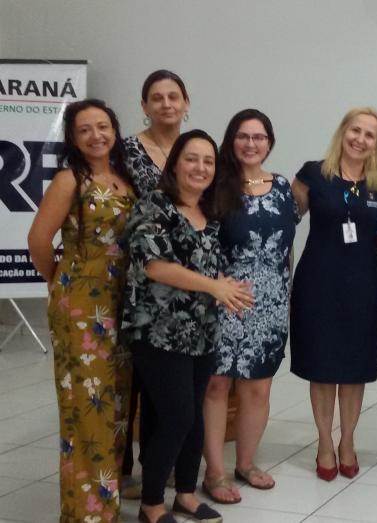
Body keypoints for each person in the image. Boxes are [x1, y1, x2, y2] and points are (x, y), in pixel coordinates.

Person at [120, 130, 254, 523]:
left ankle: (184, 494)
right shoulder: (155, 205)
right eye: (191, 159)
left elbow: (210, 269)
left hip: (202, 330)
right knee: (176, 417)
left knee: (192, 414)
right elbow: (155, 266)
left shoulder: (211, 211)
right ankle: (150, 503)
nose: (200, 168)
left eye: (208, 161)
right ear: (175, 163)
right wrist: (215, 286)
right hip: (158, 332)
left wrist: (230, 291)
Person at [28, 99, 135, 523]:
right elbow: (38, 240)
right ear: (73, 138)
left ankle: (104, 501)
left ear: (114, 130)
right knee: (85, 407)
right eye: (85, 129)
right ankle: (86, 514)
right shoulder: (70, 180)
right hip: (80, 307)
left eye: (104, 126)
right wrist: (59, 279)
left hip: (121, 305)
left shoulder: (124, 179)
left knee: (112, 406)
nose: (97, 135)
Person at [200, 109, 299, 503]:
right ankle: (215, 472)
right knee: (217, 383)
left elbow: (287, 245)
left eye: (259, 137)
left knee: (258, 387)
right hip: (224, 298)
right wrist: (214, 286)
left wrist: (285, 293)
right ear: (231, 140)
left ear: (270, 142)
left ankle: (246, 463)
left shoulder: (281, 187)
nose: (251, 143)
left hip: (271, 300)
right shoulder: (215, 185)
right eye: (243, 136)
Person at [289, 107, 377, 481]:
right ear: (343, 132)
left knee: (354, 370)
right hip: (318, 282)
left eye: (369, 135)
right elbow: (286, 222)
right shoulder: (313, 173)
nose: (360, 139)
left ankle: (348, 441)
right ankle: (324, 442)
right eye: (355, 130)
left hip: (364, 283)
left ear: (376, 143)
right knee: (322, 367)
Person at [120, 69, 191, 497]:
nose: (166, 104)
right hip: (139, 276)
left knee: (163, 382)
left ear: (186, 102)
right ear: (144, 105)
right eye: (157, 97)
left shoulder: (197, 149)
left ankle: (157, 465)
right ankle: (120, 469)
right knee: (133, 376)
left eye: (174, 96)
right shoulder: (126, 151)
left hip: (186, 285)